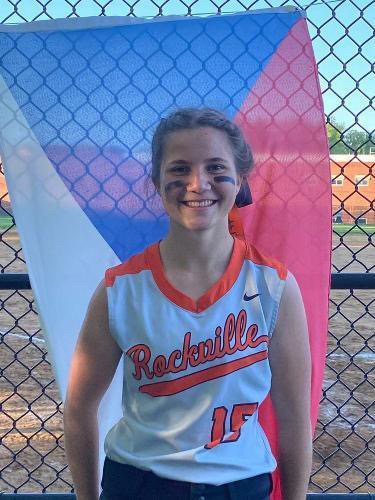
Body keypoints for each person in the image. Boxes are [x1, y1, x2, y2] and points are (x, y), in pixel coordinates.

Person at [63, 108, 312, 500]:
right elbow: (79, 408)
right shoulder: (120, 289)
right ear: (157, 181)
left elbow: (294, 419)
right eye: (179, 169)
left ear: (241, 178)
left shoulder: (274, 286)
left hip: (240, 486)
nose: (198, 184)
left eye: (216, 167)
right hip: (139, 483)